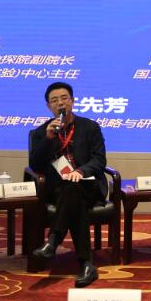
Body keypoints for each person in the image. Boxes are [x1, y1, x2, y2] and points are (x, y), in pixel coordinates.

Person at [29, 81, 107, 288]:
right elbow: (35, 165)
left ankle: (53, 241)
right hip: (58, 189)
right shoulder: (41, 132)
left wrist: (80, 171)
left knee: (74, 187)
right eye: (54, 100)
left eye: (64, 98)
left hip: (89, 185)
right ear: (48, 106)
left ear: (72, 101)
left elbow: (99, 160)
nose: (60, 103)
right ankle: (87, 264)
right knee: (73, 194)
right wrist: (48, 139)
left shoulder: (90, 127)